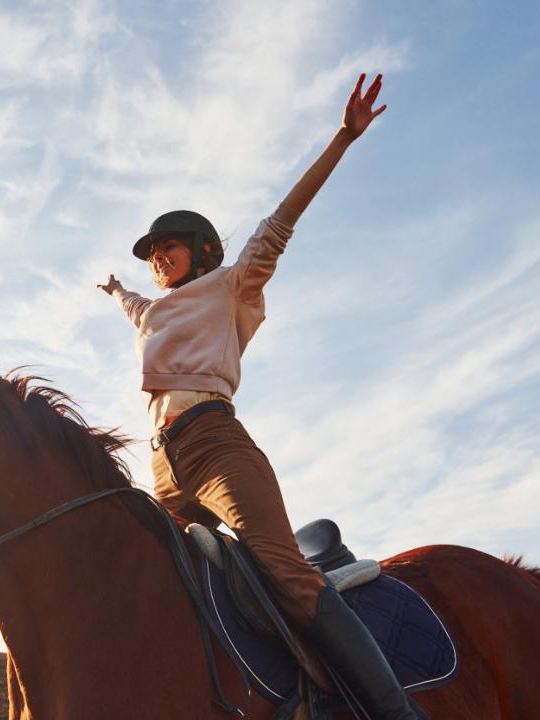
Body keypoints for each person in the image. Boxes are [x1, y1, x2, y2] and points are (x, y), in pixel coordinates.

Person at [98, 74, 420, 720]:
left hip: (217, 446)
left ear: (204, 250)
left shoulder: (230, 285)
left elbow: (282, 221)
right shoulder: (152, 313)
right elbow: (138, 308)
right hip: (164, 464)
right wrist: (115, 292)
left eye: (169, 246)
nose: (158, 258)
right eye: (152, 254)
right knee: (146, 571)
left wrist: (343, 138)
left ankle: (397, 715)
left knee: (285, 573)